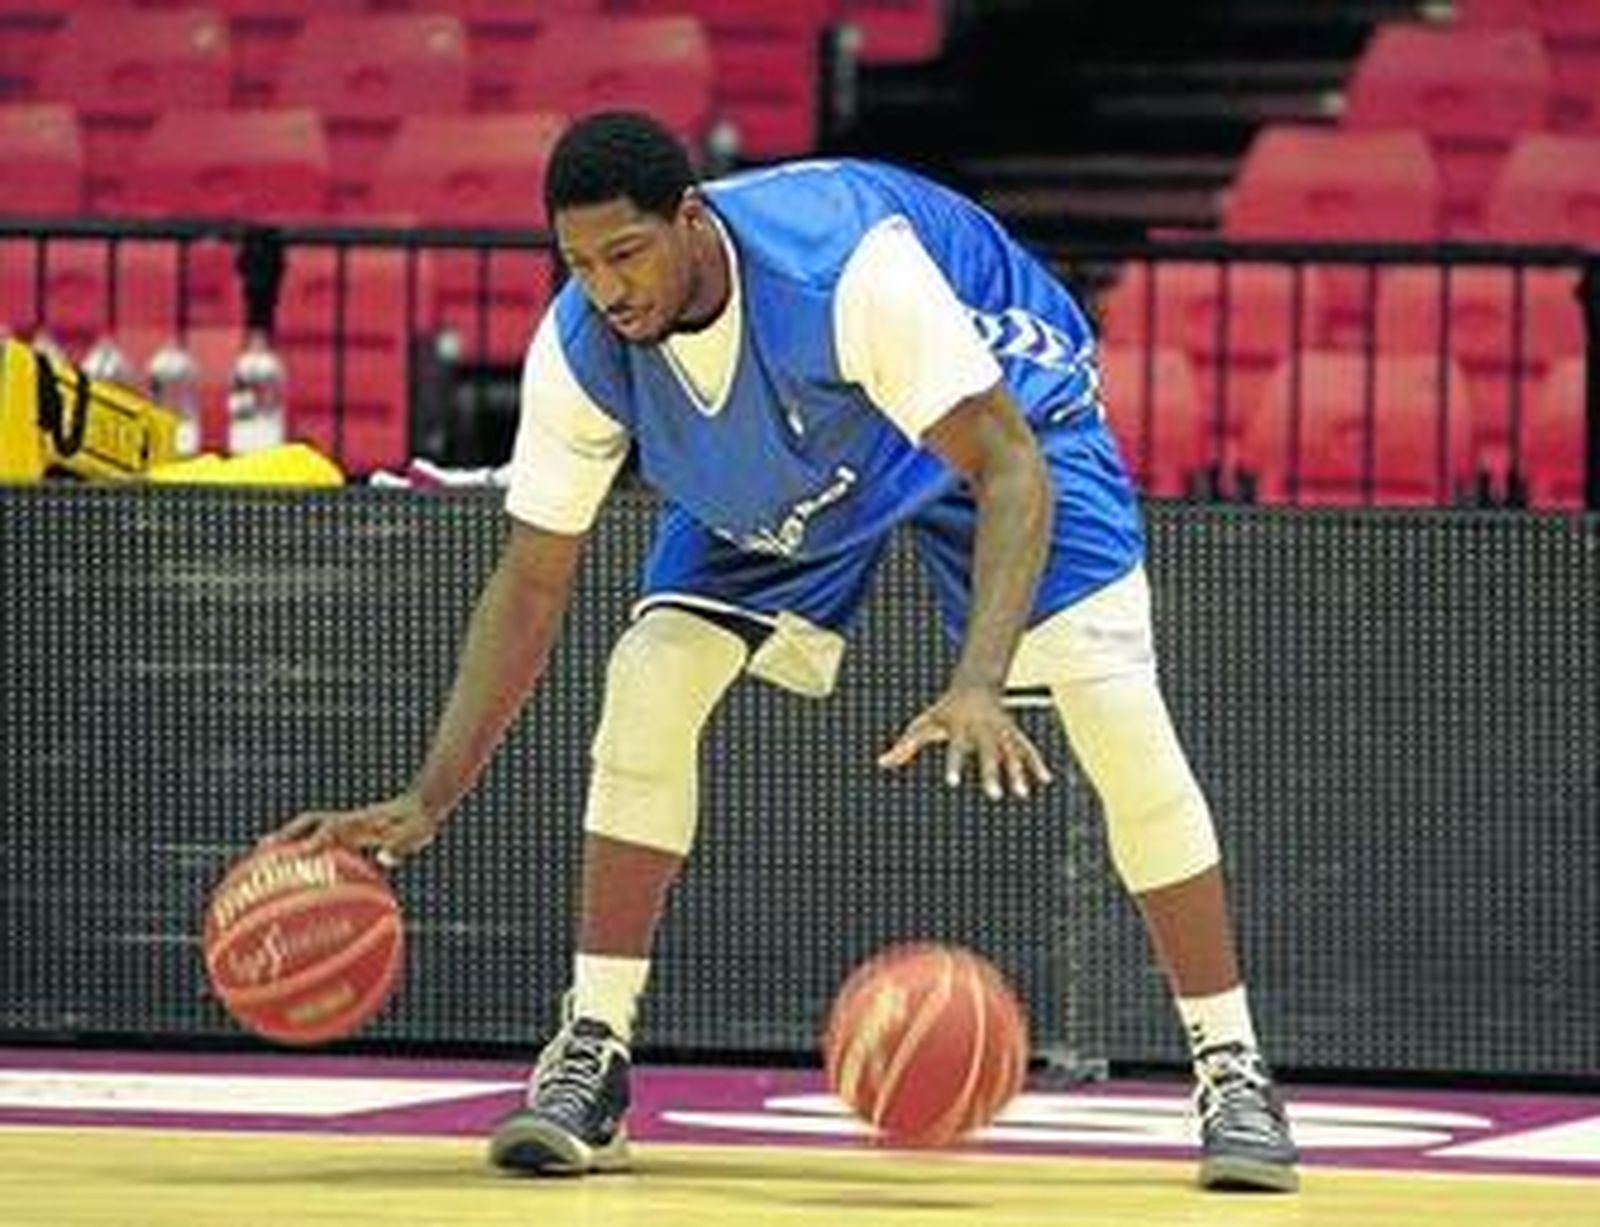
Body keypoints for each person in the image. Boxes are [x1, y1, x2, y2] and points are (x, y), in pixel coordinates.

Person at [267, 110, 1299, 1193]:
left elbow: (1005, 469)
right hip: (790, 458)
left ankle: (1230, 1067)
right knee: (649, 676)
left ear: (691, 220)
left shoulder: (851, 275)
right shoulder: (583, 348)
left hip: (993, 420)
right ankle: (591, 1052)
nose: (609, 288)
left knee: (1112, 703)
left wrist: (980, 681)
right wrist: (431, 796)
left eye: (627, 253)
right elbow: (532, 582)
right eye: (581, 264)